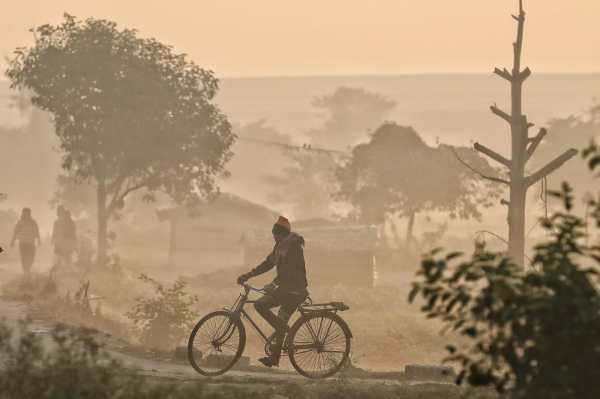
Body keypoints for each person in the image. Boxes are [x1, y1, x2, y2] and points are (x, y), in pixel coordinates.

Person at [237, 216, 308, 367]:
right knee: (280, 321)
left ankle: (284, 330)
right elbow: (268, 264)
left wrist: (274, 283)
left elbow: (289, 271)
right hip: (289, 291)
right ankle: (275, 357)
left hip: (293, 291)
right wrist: (248, 275)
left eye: (275, 235)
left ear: (281, 234)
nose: (274, 238)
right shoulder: (281, 246)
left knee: (260, 305)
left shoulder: (293, 247)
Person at [11, 208, 41, 273]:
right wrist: (12, 241)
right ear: (23, 214)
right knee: (24, 258)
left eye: (28, 213)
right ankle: (26, 271)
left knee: (31, 257)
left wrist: (39, 240)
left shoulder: (33, 222)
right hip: (23, 243)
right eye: (25, 213)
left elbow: (37, 231)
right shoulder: (20, 222)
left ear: (29, 214)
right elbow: (15, 232)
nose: (26, 214)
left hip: (31, 243)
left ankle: (28, 269)